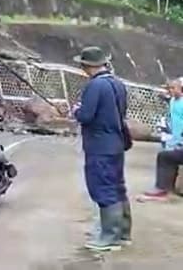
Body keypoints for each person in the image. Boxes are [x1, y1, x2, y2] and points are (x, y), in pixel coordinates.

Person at [72, 46, 131, 251]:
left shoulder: (95, 86)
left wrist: (76, 111)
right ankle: (123, 232)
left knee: (103, 188)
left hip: (99, 145)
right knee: (117, 187)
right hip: (116, 142)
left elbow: (86, 116)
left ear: (87, 66)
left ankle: (109, 237)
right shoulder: (117, 83)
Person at [137, 77, 183, 202]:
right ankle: (168, 189)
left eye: (174, 88)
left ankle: (162, 189)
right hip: (175, 140)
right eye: (170, 88)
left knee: (165, 157)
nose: (171, 91)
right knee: (169, 155)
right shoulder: (173, 101)